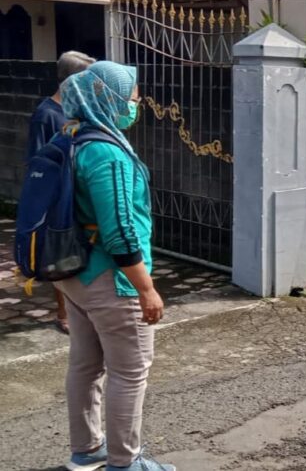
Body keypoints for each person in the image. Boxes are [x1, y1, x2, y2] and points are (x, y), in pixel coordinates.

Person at [54, 61, 174, 471]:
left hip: (76, 272)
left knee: (85, 365)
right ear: (108, 97)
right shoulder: (107, 152)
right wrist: (146, 288)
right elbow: (120, 230)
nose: (136, 101)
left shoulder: (72, 136)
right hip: (112, 279)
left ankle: (87, 451)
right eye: (132, 94)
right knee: (130, 371)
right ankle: (126, 462)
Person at [27, 51, 96, 334]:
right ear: (72, 80)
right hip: (58, 196)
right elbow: (38, 161)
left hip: (78, 193)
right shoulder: (46, 115)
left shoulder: (76, 110)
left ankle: (80, 306)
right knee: (59, 253)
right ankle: (63, 311)